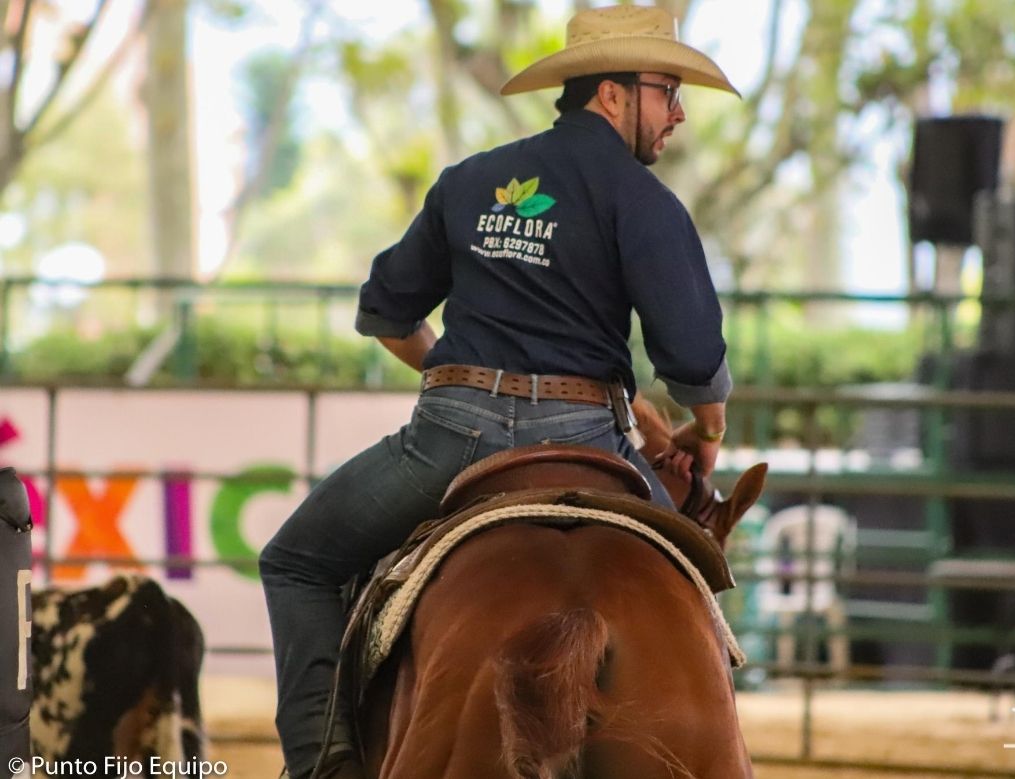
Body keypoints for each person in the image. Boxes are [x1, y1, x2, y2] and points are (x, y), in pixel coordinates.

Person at [258, 5, 740, 778]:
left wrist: (462, 376)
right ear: (611, 95)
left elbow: (384, 314)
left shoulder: (472, 181)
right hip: (591, 437)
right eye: (667, 89)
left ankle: (323, 763)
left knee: (299, 562)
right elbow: (690, 358)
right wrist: (707, 427)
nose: (678, 111)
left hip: (450, 436)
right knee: (693, 586)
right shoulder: (645, 200)